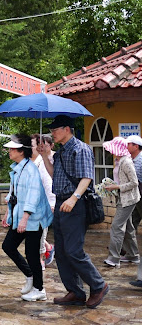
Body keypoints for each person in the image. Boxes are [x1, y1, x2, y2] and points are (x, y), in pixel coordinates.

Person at [37, 115, 108, 308]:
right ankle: (75, 292)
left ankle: (98, 285)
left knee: (73, 250)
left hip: (75, 204)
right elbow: (54, 175)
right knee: (61, 252)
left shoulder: (80, 149)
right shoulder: (61, 151)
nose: (52, 133)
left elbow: (87, 177)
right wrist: (44, 156)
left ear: (67, 129)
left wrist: (73, 198)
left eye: (55, 129)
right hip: (61, 202)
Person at [2, 135, 53, 302]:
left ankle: (39, 289)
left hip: (33, 219)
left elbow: (33, 196)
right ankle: (30, 276)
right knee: (8, 246)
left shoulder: (31, 170)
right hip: (21, 218)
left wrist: (24, 219)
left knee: (32, 254)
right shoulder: (18, 168)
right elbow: (14, 194)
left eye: (12, 149)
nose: (9, 151)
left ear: (21, 151)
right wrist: (8, 214)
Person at [101, 137, 140, 267]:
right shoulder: (118, 161)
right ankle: (133, 255)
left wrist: (116, 187)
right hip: (122, 198)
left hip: (128, 199)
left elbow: (134, 183)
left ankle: (114, 258)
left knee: (116, 227)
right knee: (128, 228)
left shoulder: (126, 162)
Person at [31, 134, 56, 268]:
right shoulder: (34, 161)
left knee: (41, 231)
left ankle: (41, 258)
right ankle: (48, 248)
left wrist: (51, 203)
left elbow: (49, 184)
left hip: (45, 203)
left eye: (32, 145)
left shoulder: (45, 162)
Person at [125, 135, 142, 288]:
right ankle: (128, 251)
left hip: (139, 197)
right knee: (130, 224)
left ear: (136, 146)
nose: (127, 146)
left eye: (129, 144)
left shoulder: (140, 161)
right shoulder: (131, 160)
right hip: (136, 198)